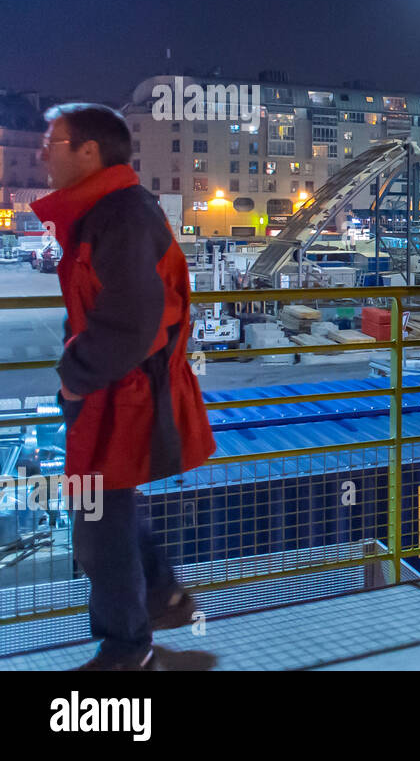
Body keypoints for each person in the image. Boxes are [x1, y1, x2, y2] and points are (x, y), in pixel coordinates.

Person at [31, 104, 216, 670]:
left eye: (53, 140)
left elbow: (133, 320)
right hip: (113, 393)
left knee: (96, 527)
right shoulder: (112, 211)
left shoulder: (120, 216)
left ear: (90, 151)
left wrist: (74, 376)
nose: (43, 151)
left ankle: (128, 647)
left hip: (116, 396)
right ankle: (160, 596)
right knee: (108, 512)